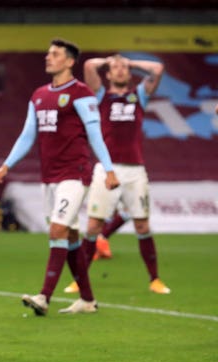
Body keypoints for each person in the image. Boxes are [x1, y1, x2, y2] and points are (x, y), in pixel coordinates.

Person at [0, 38, 119, 316]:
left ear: (70, 61)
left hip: (75, 173)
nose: (48, 57)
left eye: (55, 54)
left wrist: (109, 169)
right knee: (70, 235)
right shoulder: (38, 95)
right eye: (48, 53)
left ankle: (44, 297)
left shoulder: (82, 93)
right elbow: (28, 135)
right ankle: (87, 299)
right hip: (48, 177)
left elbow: (95, 133)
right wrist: (7, 165)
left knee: (57, 230)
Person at [63, 54, 170, 295]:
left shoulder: (139, 95)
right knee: (92, 227)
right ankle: (80, 280)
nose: (121, 70)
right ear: (108, 74)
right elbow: (90, 65)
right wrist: (110, 60)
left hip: (135, 171)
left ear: (130, 73)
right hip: (106, 169)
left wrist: (130, 63)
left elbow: (158, 68)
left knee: (142, 226)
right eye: (115, 68)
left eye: (124, 68)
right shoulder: (101, 96)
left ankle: (155, 279)